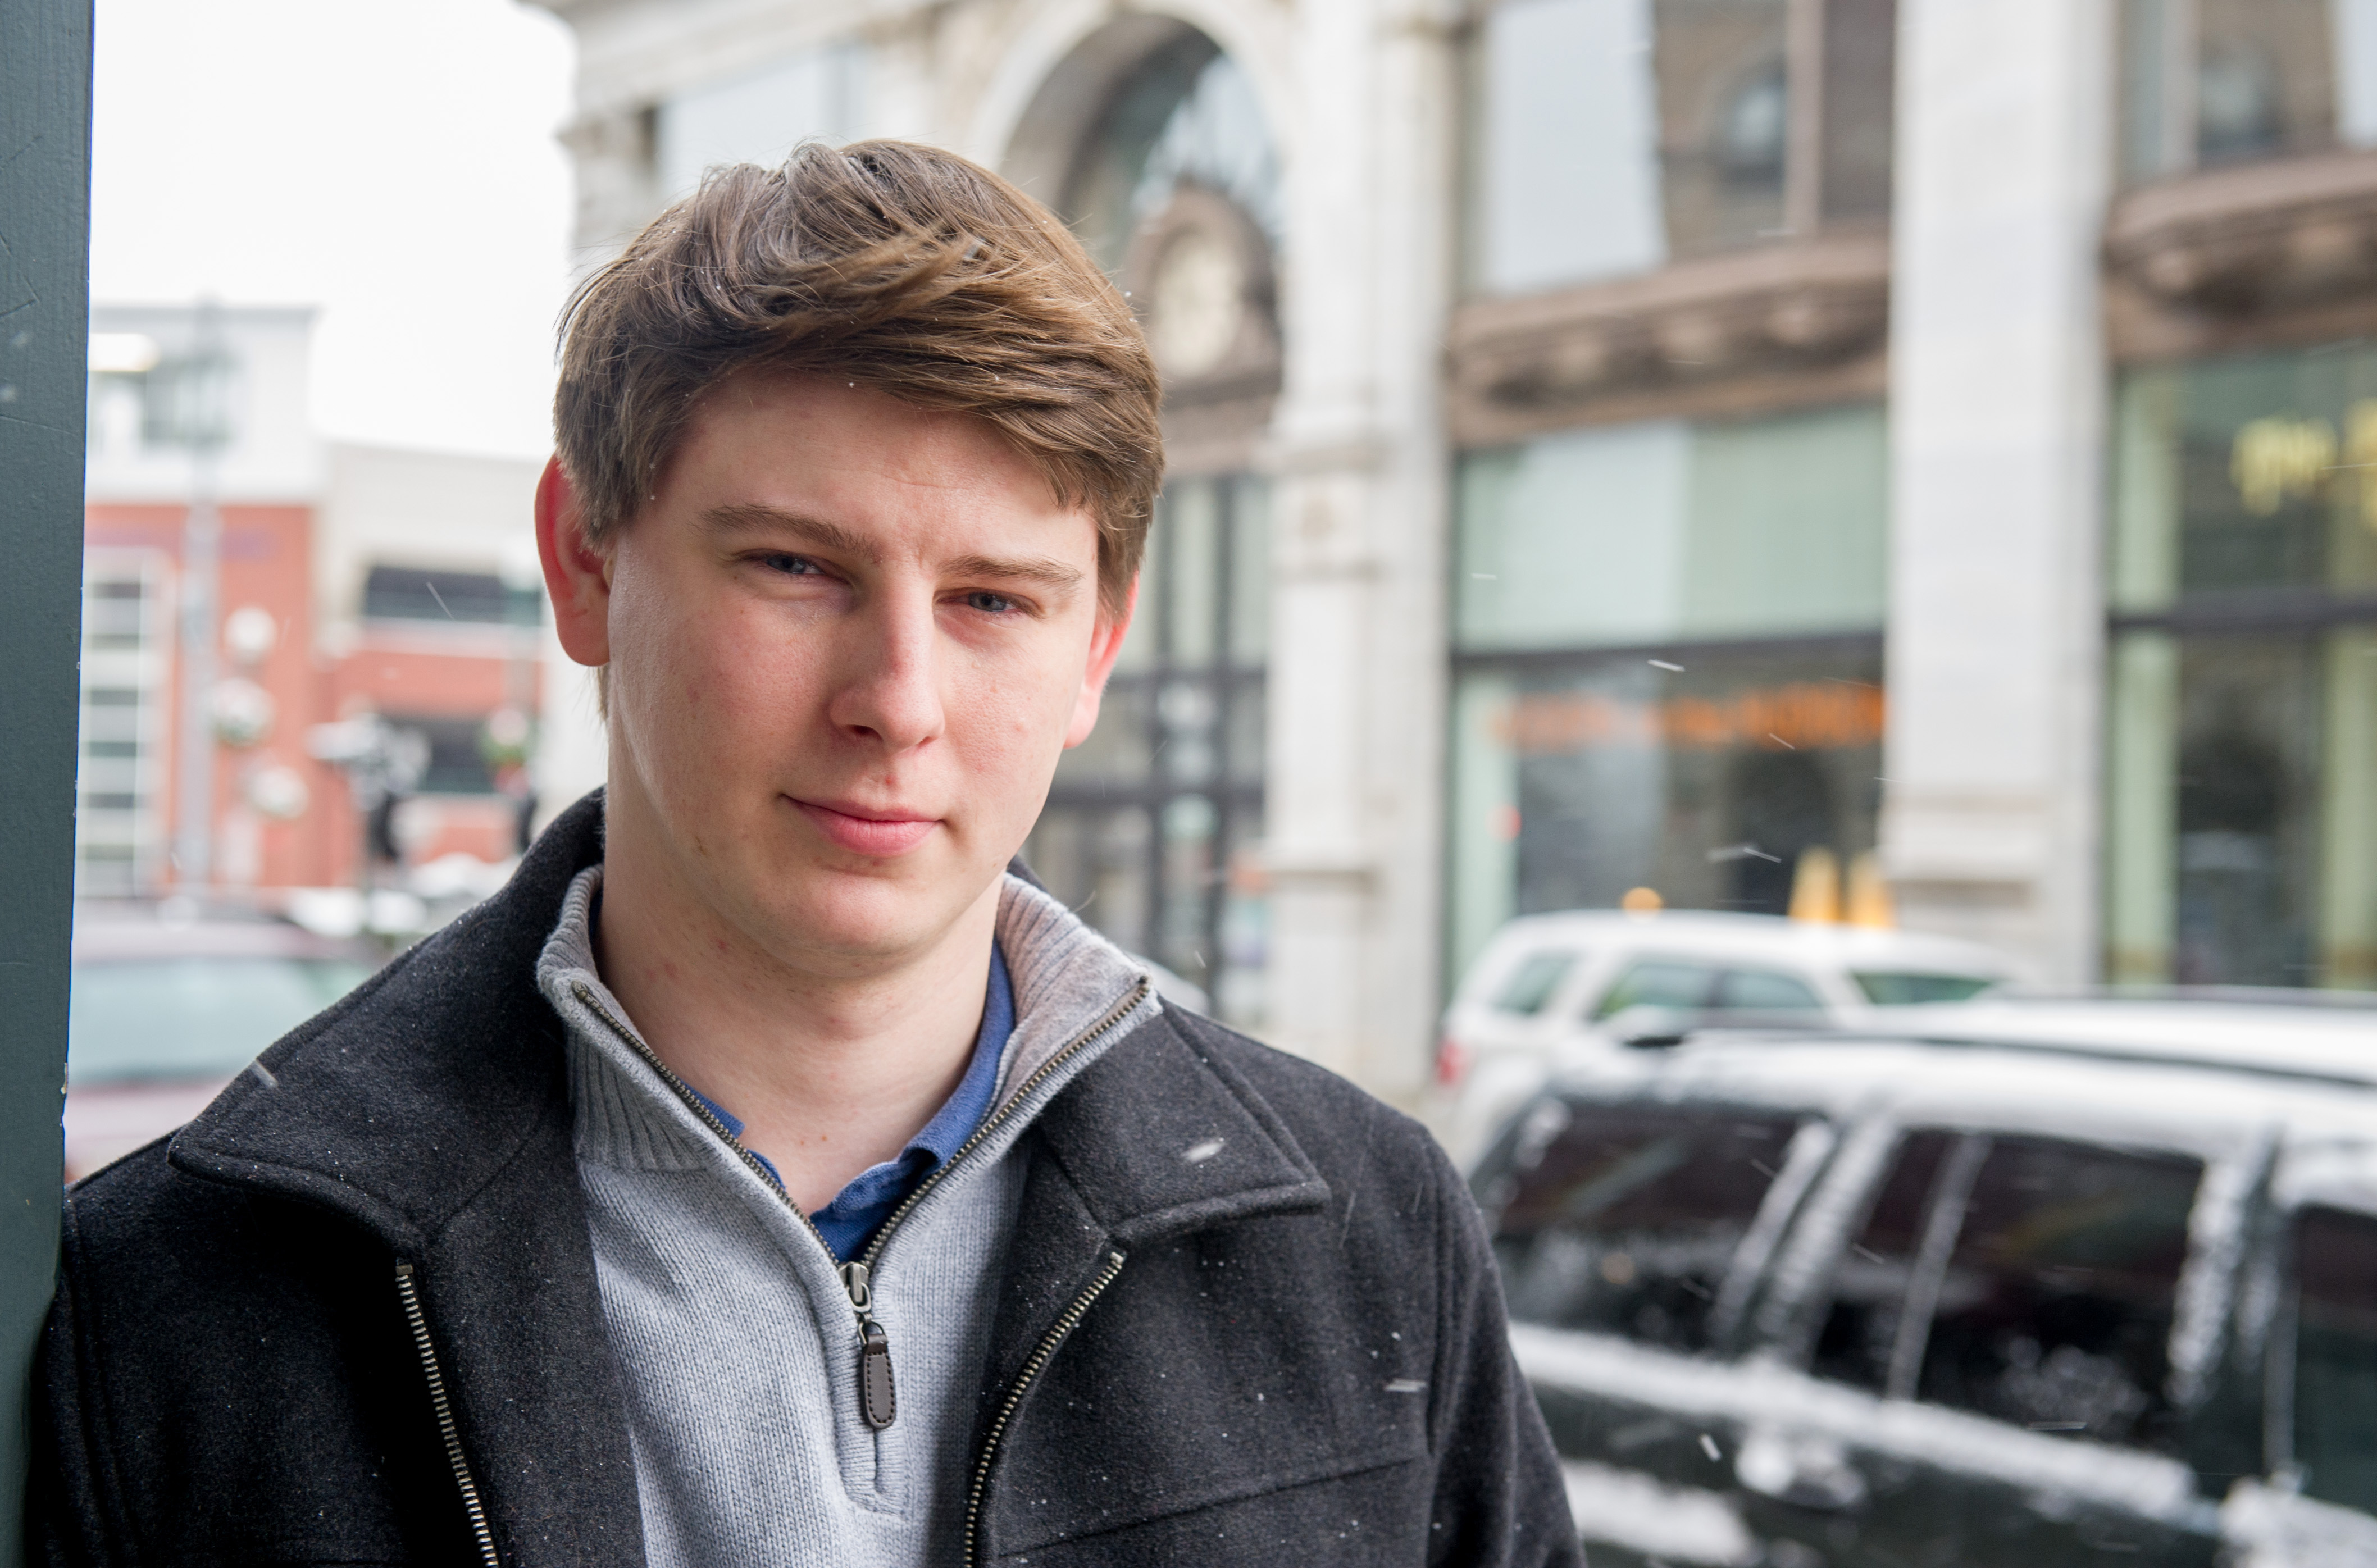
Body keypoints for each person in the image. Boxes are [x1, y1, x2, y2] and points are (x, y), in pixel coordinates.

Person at [30, 141, 1577, 1567]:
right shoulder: (180, 1293)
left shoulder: (1365, 1233)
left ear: (1098, 647)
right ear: (585, 562)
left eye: (993, 601)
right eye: (795, 566)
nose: (897, 702)